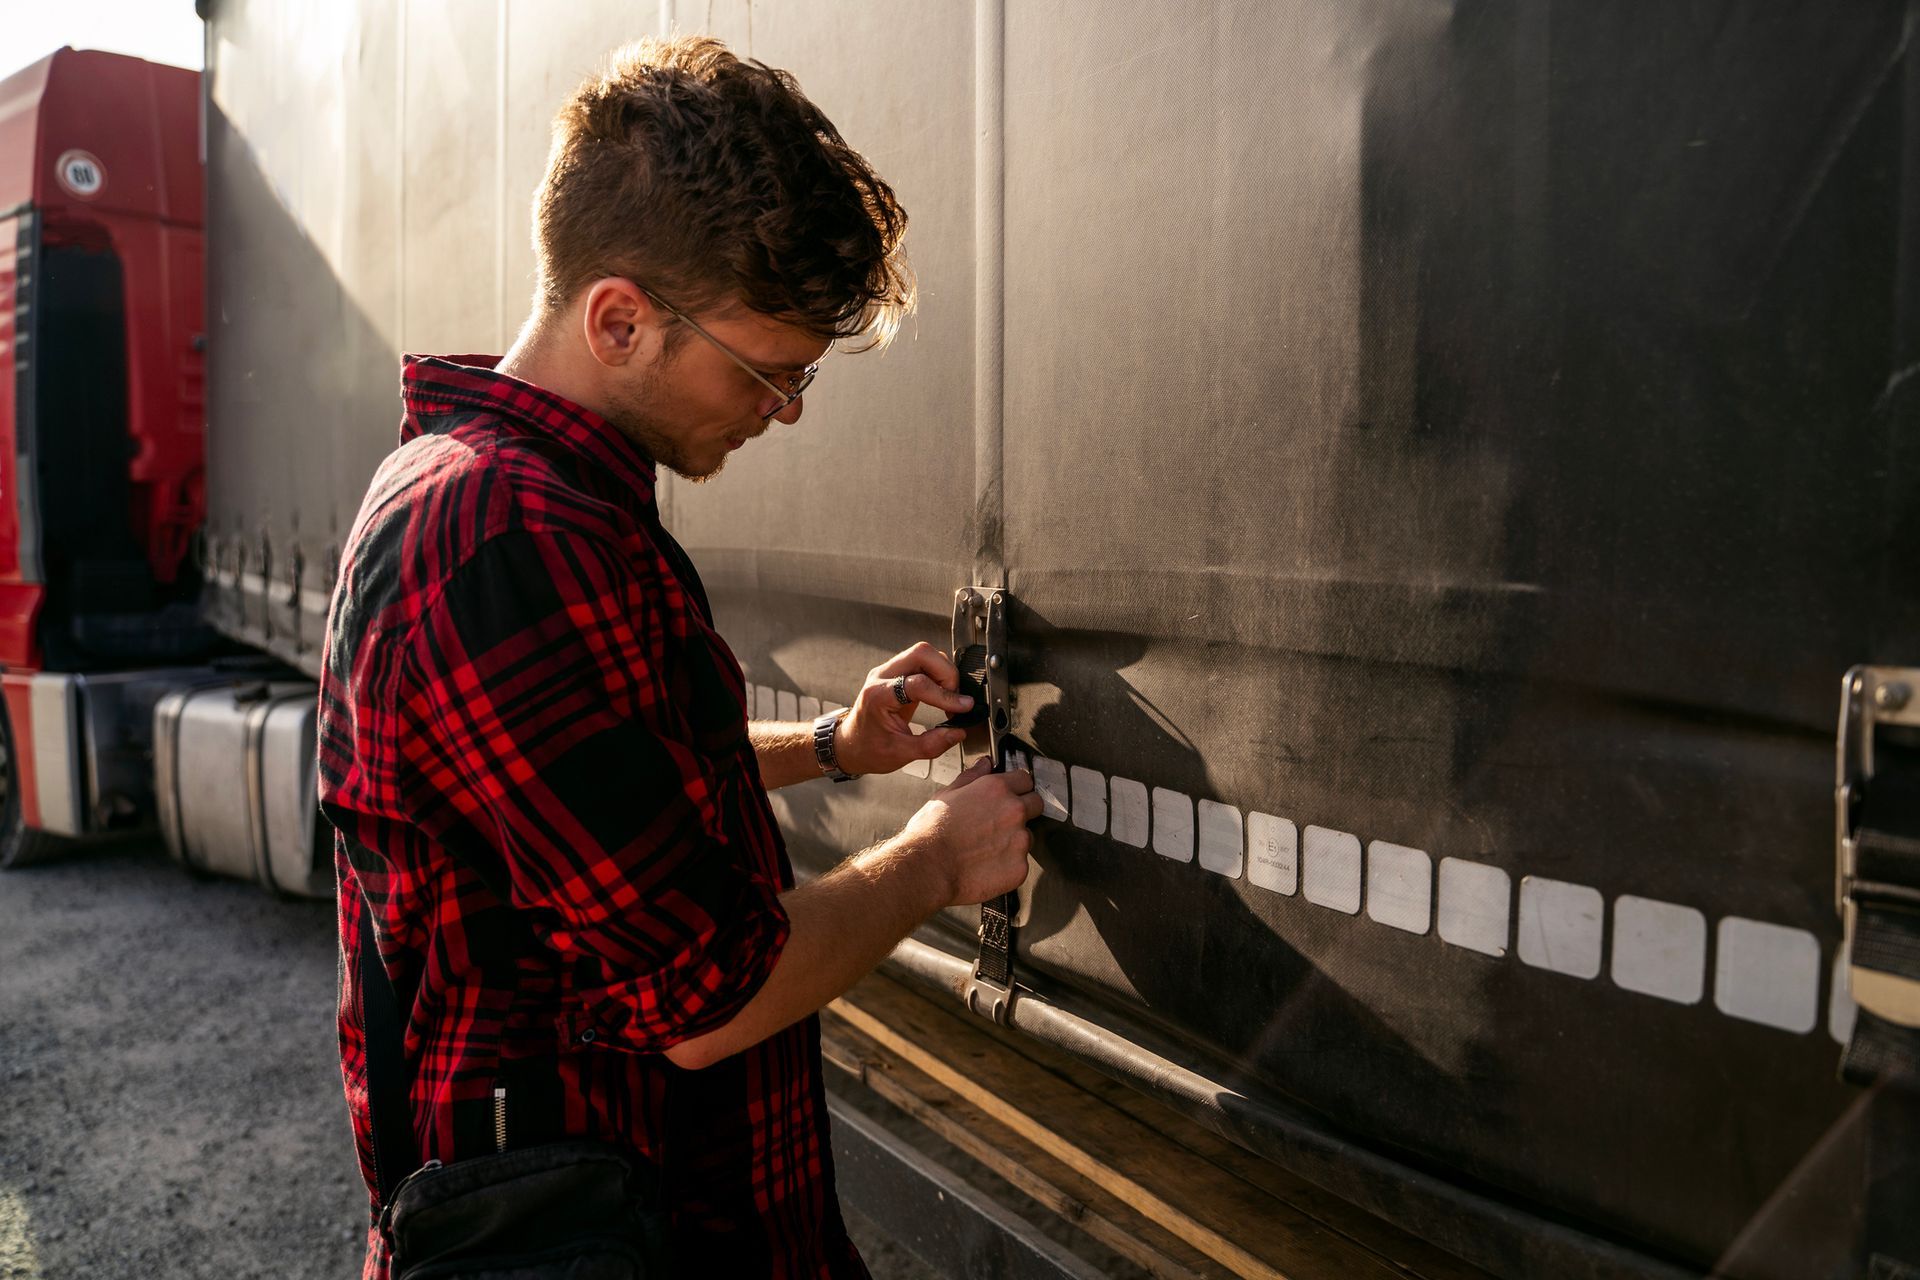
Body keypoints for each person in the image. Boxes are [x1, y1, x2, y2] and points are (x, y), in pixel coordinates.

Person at [316, 34, 1041, 1280]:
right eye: (769, 370)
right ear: (618, 318)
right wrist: (932, 861)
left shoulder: (509, 499)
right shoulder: (504, 541)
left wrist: (831, 746)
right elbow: (706, 999)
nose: (788, 408)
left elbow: (607, 791)